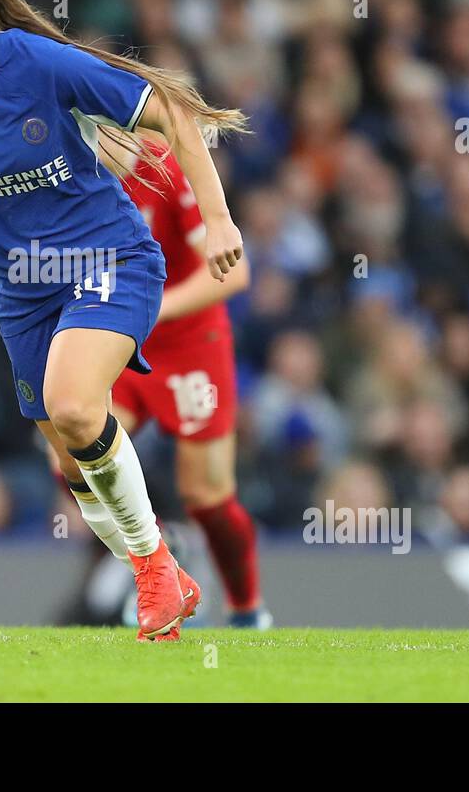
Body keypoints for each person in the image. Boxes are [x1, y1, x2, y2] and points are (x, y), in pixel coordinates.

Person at [0, 0, 247, 641]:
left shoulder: (41, 64)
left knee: (75, 406)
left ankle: (158, 570)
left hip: (109, 260)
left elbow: (174, 113)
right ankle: (158, 571)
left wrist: (217, 220)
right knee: (69, 463)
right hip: (20, 293)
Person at [81, 133, 271, 628]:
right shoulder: (65, 172)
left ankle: (247, 608)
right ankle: (161, 559)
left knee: (207, 496)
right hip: (122, 340)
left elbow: (233, 275)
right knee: (78, 450)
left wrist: (149, 310)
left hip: (189, 343)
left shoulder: (164, 167)